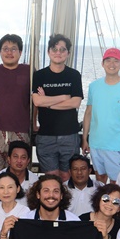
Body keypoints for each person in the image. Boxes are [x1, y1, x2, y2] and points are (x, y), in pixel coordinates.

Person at [81, 48, 120, 182]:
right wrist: (85, 138)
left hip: (118, 145)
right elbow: (88, 112)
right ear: (102, 63)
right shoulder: (94, 86)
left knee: (116, 182)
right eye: (108, 60)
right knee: (100, 179)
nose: (112, 64)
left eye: (116, 61)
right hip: (96, 144)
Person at [32, 34, 83, 182]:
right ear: (49, 52)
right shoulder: (39, 75)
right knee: (51, 179)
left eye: (62, 49)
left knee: (67, 177)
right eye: (54, 49)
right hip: (46, 134)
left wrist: (47, 102)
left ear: (68, 53)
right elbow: (37, 101)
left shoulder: (74, 75)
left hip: (69, 134)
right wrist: (64, 97)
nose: (58, 53)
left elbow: (75, 103)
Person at [0, 34, 31, 175]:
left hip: (20, 131)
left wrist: (34, 123)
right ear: (0, 51)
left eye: (13, 49)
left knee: (19, 174)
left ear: (20, 52)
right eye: (5, 49)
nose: (9, 52)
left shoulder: (28, 71)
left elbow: (35, 101)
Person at [0, 140, 34, 204]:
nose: (19, 161)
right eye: (15, 157)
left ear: (28, 161)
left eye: (23, 157)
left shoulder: (34, 180)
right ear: (9, 159)